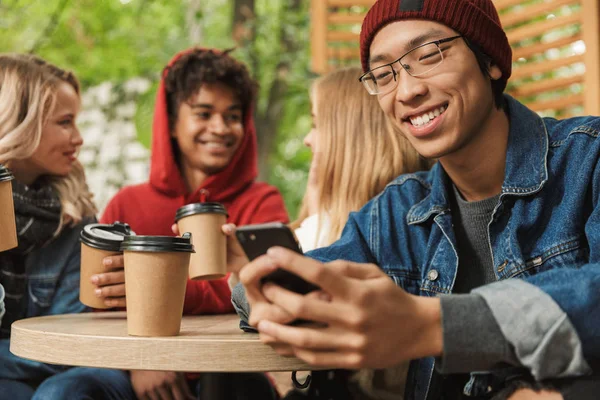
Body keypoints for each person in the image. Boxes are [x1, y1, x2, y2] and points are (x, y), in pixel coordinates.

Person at [237, 1, 600, 399]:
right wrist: (261, 285)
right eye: (383, 75)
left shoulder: (588, 160)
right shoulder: (397, 211)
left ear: (491, 61)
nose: (408, 91)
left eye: (429, 56)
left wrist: (434, 325)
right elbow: (319, 275)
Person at [35, 47, 288, 400]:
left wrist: (150, 291)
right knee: (65, 391)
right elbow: (100, 304)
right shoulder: (127, 203)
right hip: (130, 372)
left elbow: (267, 291)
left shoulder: (262, 202)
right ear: (170, 120)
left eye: (232, 116)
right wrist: (140, 361)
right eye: (204, 113)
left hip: (231, 369)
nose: (220, 128)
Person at [230, 66, 430, 398]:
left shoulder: (379, 228)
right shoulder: (334, 221)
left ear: (351, 137)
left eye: (317, 124)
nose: (308, 139)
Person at [0, 54, 97, 399]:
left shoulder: (74, 217)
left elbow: (62, 351)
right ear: (22, 122)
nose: (79, 138)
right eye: (65, 122)